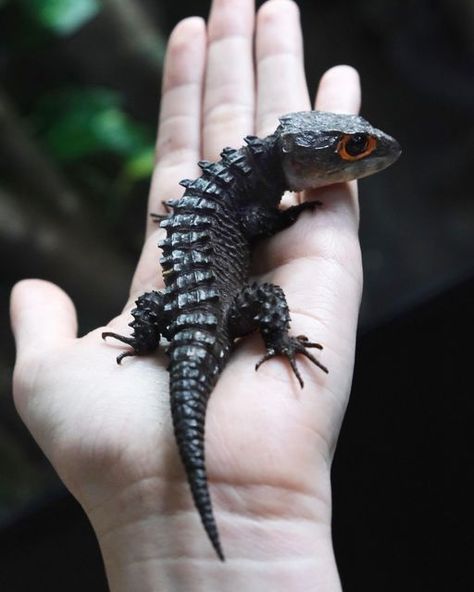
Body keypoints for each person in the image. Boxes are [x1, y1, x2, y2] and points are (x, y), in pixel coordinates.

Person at [10, 0, 363, 589]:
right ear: (302, 157)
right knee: (267, 301)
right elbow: (252, 224)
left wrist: (146, 340)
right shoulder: (253, 193)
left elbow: (241, 221)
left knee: (160, 310)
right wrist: (282, 237)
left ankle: (177, 340)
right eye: (349, 149)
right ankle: (279, 338)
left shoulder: (243, 184)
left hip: (183, 314)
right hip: (218, 312)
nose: (358, 156)